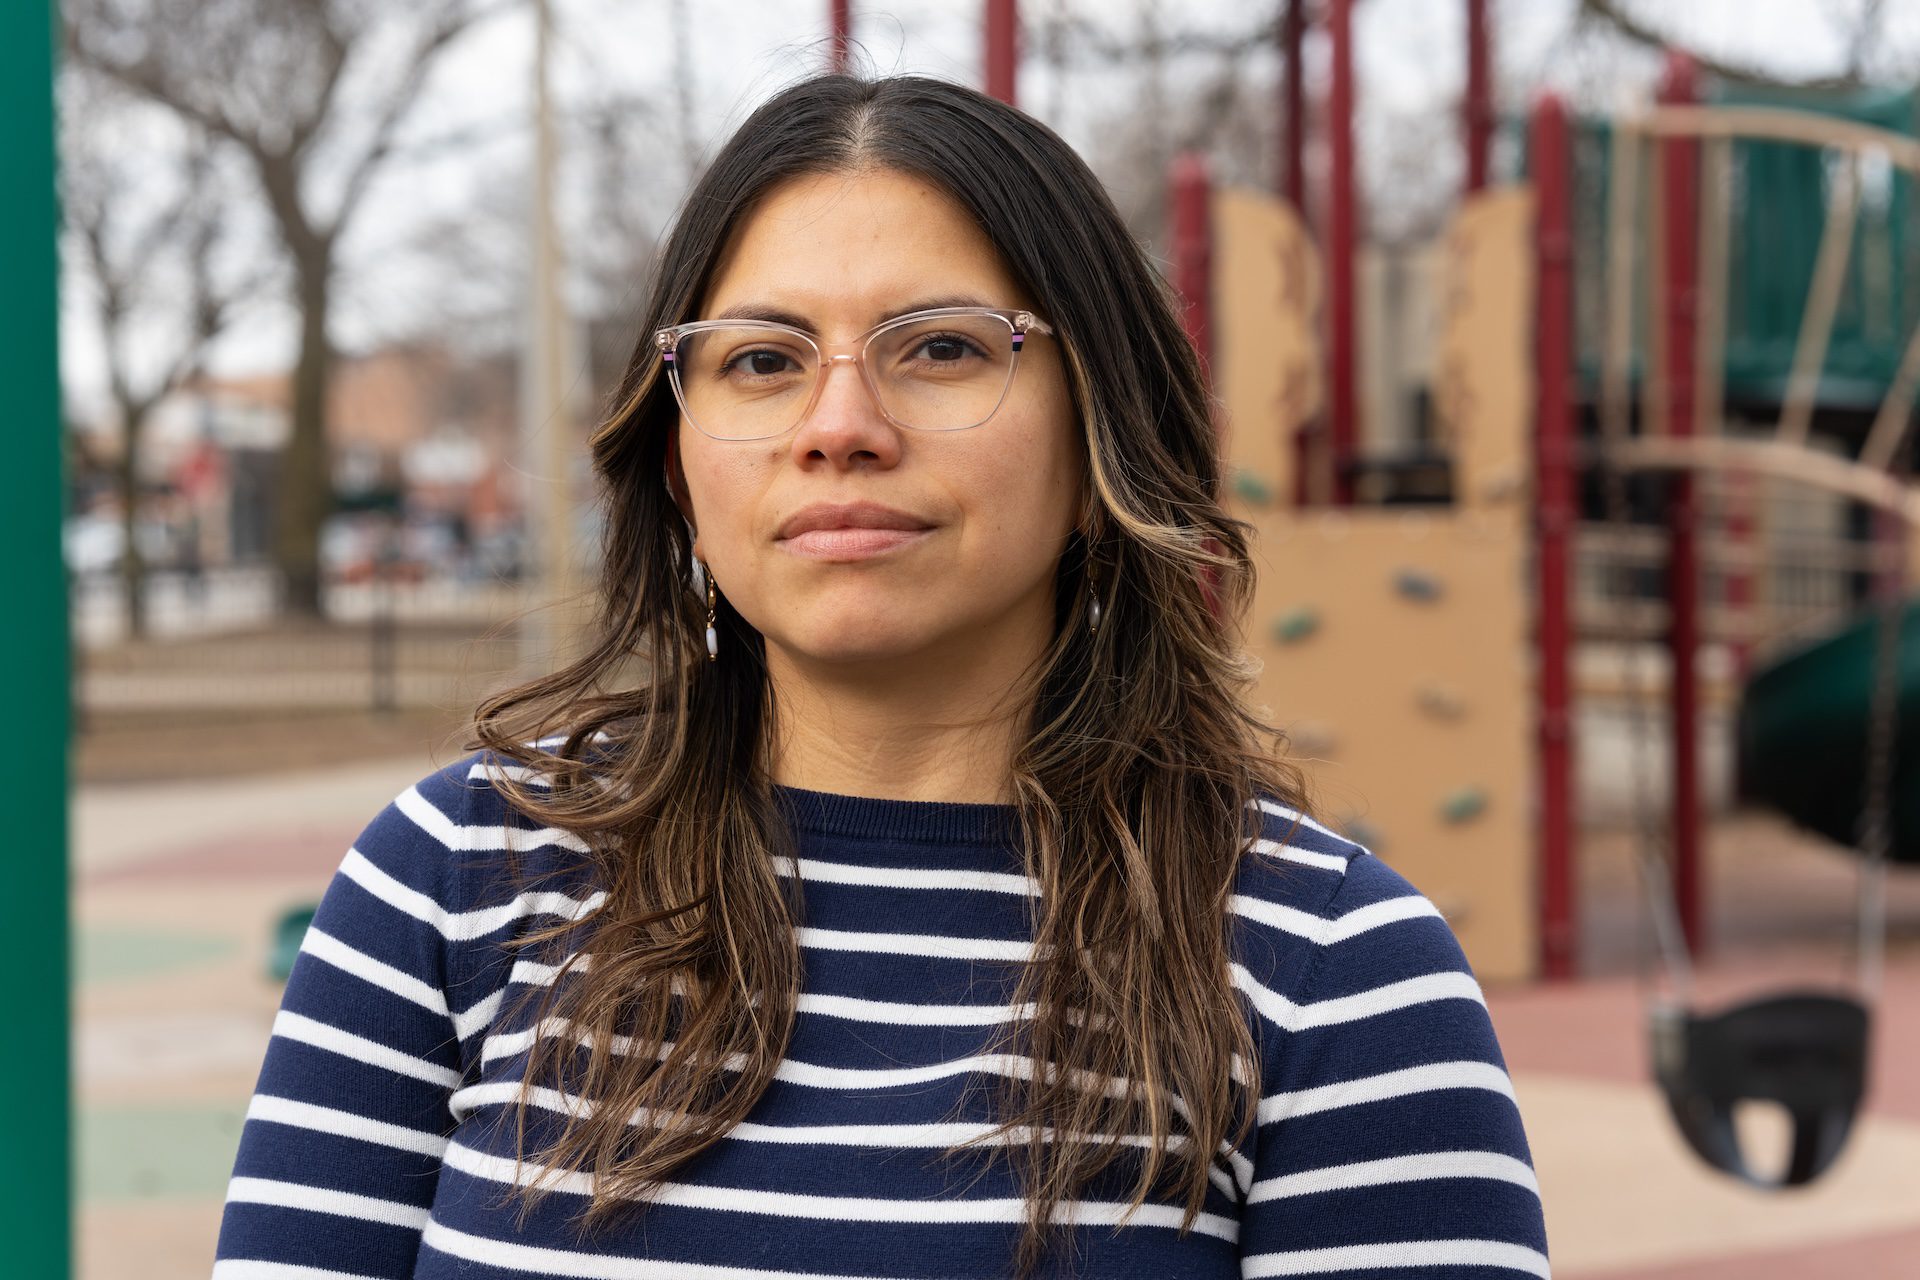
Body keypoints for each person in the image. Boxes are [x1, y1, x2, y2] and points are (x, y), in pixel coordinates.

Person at [213, 71, 1550, 1279]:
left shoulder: (1335, 975)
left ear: (1102, 432)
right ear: (677, 461)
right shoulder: (461, 879)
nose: (839, 427)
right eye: (761, 361)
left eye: (944, 347)